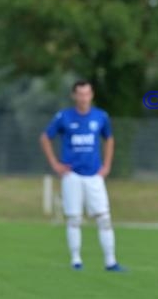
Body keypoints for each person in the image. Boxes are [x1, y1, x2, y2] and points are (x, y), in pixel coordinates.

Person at [40, 80, 125, 272]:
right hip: (72, 175)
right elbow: (45, 137)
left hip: (94, 175)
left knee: (104, 217)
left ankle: (110, 261)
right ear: (74, 95)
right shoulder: (64, 116)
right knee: (74, 218)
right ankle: (76, 260)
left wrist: (107, 165)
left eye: (87, 94)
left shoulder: (101, 116)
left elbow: (109, 139)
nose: (83, 98)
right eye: (80, 94)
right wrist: (55, 164)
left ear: (91, 95)